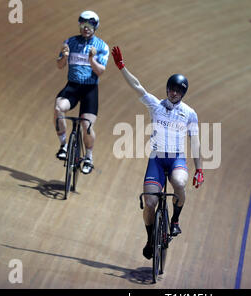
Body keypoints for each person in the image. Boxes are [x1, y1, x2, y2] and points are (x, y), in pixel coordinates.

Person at [111, 46, 204, 260]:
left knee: (179, 183)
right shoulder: (155, 105)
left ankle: (175, 221)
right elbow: (137, 86)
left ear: (183, 94)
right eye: (171, 89)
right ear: (167, 89)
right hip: (157, 160)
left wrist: (200, 169)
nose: (174, 93)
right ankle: (150, 237)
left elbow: (195, 141)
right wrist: (122, 67)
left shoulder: (189, 114)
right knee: (150, 203)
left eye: (178, 91)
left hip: (176, 159)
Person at [54, 10, 109, 174]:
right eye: (83, 25)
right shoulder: (70, 42)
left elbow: (100, 71)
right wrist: (64, 57)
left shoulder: (101, 46)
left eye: (90, 26)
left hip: (90, 90)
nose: (86, 28)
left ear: (95, 27)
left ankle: (89, 157)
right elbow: (59, 65)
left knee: (87, 125)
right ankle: (63, 145)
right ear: (80, 25)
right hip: (72, 87)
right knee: (58, 108)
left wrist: (91, 59)